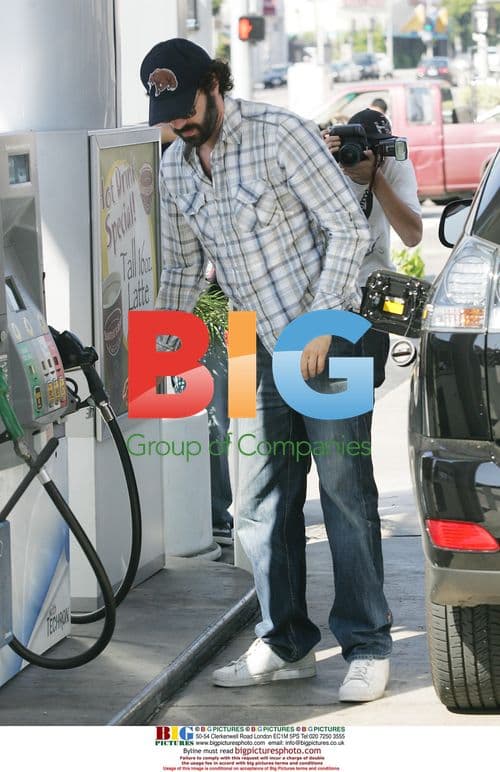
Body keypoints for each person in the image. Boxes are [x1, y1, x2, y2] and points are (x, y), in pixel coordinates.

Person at [140, 38, 392, 702]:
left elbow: (347, 228)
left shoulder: (280, 135)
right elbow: (185, 268)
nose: (178, 122)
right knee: (254, 501)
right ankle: (285, 643)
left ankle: (367, 645)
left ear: (213, 86)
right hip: (250, 344)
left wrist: (318, 322)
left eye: (184, 106)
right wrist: (162, 353)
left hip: (326, 333)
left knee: (343, 493)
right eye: (165, 112)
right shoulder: (175, 168)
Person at [157, 124, 233, 545]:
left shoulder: (215, 157)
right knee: (207, 420)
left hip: (221, 309)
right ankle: (213, 516)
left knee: (223, 420)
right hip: (182, 309)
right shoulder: (161, 164)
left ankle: (218, 516)